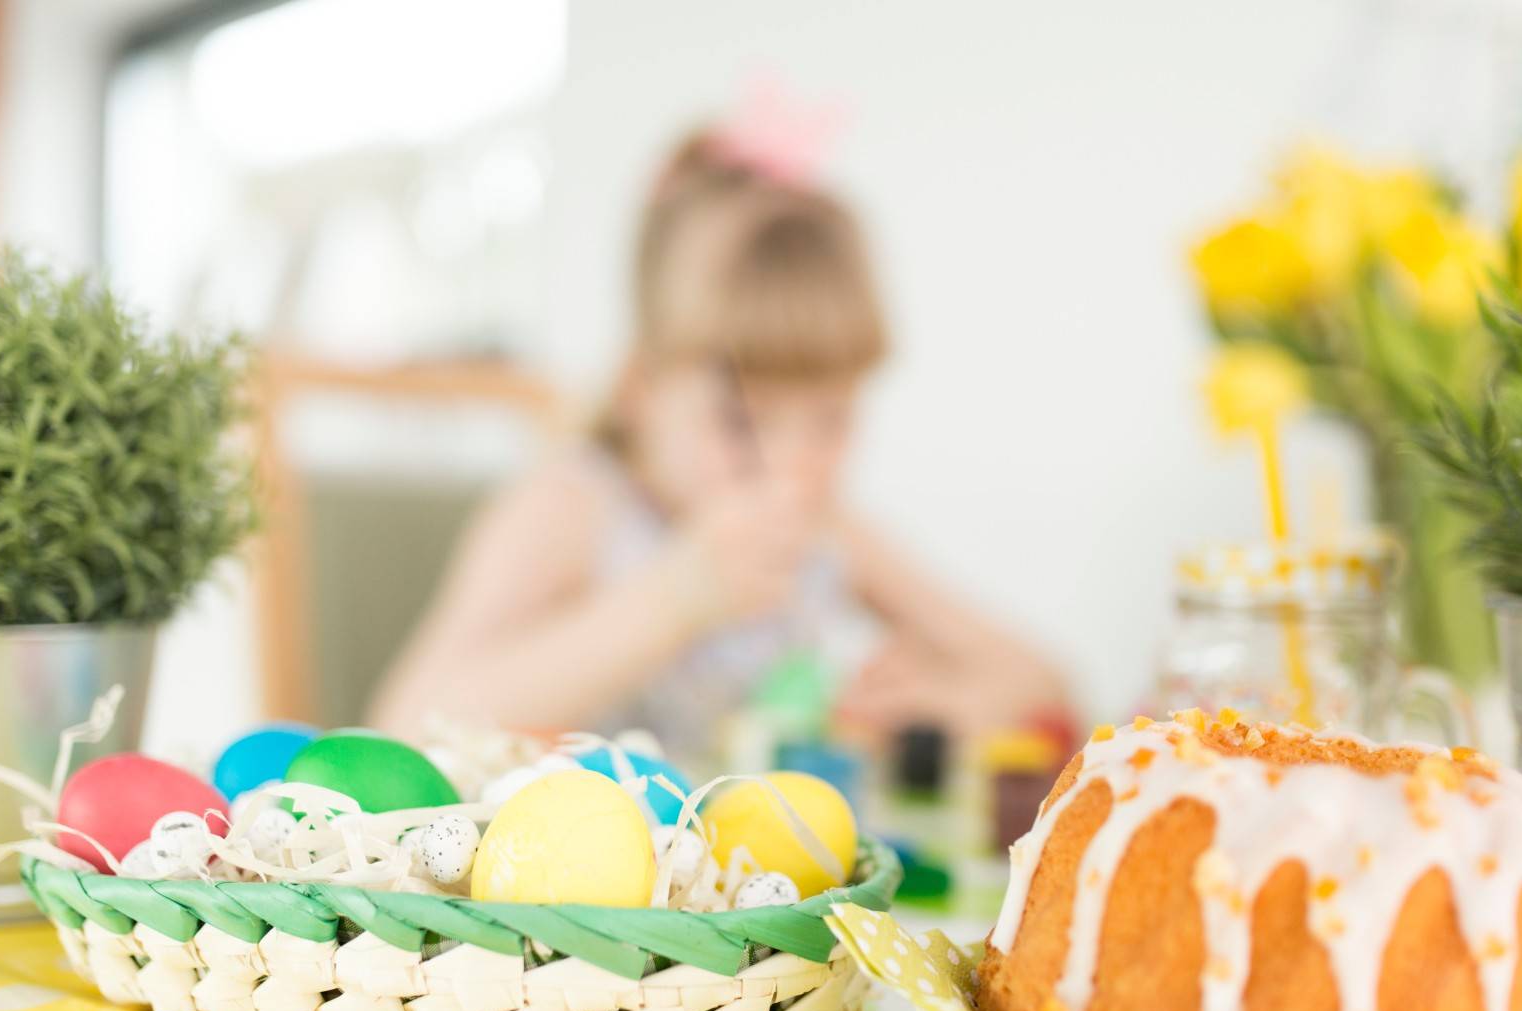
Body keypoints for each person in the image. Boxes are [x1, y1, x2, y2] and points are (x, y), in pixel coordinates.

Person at [370, 126, 1072, 759]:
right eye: (742, 421)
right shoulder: (573, 510)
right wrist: (675, 599)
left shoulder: (829, 532)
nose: (793, 470)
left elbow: (1043, 682)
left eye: (831, 420)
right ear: (640, 389)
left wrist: (936, 709)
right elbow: (403, 727)